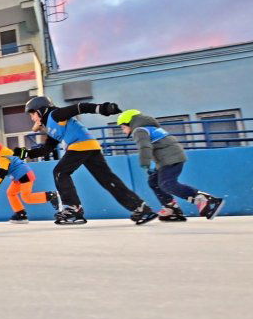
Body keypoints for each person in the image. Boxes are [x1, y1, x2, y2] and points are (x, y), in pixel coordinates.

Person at [12, 96, 158, 225]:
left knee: (60, 172)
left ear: (40, 111)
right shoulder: (51, 128)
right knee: (108, 180)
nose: (31, 118)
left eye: (32, 114)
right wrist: (25, 153)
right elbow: (46, 149)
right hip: (90, 146)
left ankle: (73, 208)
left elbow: (79, 107)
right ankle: (141, 208)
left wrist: (103, 108)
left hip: (80, 145)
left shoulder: (55, 114)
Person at [116, 109, 225, 220]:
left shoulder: (139, 131)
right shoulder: (150, 128)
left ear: (130, 123)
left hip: (170, 158)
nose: (123, 131)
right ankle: (172, 209)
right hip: (169, 158)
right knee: (153, 182)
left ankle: (204, 199)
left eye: (123, 127)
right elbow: (159, 146)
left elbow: (145, 147)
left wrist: (145, 163)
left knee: (167, 184)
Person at [0, 142, 59, 223]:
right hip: (19, 178)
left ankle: (51, 196)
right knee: (11, 192)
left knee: (27, 197)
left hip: (24, 175)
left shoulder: (3, 157)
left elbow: (2, 172)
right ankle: (20, 214)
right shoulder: (5, 155)